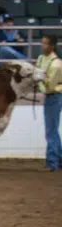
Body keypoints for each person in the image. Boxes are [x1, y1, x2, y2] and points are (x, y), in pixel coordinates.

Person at [37, 34, 62, 172]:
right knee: (52, 129)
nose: (42, 46)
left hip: (54, 96)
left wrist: (40, 81)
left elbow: (50, 86)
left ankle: (52, 162)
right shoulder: (42, 58)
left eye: (45, 44)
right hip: (51, 96)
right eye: (42, 43)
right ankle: (58, 159)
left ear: (51, 46)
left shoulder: (56, 64)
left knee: (51, 130)